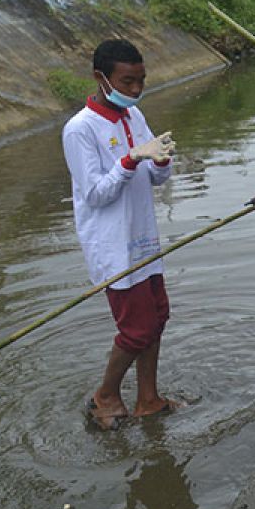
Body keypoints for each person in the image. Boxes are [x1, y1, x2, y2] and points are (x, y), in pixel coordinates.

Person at [62, 39, 178, 430]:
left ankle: (148, 398)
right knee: (136, 327)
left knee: (158, 316)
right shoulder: (80, 129)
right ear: (101, 78)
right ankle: (105, 395)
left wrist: (161, 160)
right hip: (112, 244)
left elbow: (155, 176)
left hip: (142, 235)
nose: (135, 90)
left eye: (140, 81)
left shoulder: (133, 117)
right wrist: (130, 159)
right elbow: (95, 194)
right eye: (127, 81)